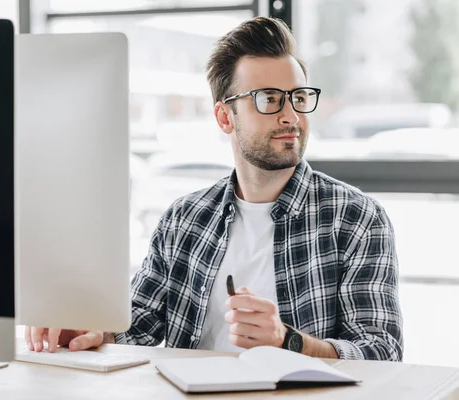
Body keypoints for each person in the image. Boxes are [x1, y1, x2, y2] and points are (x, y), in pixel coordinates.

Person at [25, 16, 403, 361]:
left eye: (299, 98)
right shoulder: (184, 219)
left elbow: (381, 351)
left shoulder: (356, 218)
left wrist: (288, 341)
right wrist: (90, 329)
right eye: (269, 99)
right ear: (225, 117)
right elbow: (136, 323)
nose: (291, 115)